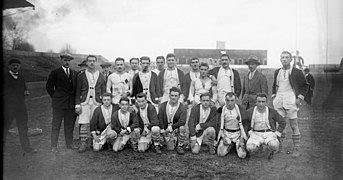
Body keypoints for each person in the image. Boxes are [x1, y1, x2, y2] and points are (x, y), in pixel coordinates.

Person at [272, 51, 308, 158]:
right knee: (280, 124)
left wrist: (299, 98)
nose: (284, 59)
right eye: (282, 57)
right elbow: (274, 85)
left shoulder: (297, 71)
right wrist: (274, 96)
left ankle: (296, 148)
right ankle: (279, 146)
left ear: (291, 59)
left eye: (287, 57)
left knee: (294, 125)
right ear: (280, 59)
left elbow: (305, 86)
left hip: (291, 98)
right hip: (279, 99)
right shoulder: (277, 71)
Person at [4, 58, 37, 154]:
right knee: (5, 128)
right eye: (13, 65)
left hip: (21, 107)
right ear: (9, 66)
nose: (15, 67)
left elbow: (25, 89)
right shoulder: (5, 77)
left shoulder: (21, 77)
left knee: (23, 128)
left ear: (20, 66)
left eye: (17, 65)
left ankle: (26, 148)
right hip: (8, 108)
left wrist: (26, 92)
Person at [46, 53, 77, 153]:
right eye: (65, 60)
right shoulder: (55, 73)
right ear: (61, 60)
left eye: (69, 60)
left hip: (70, 105)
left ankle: (69, 144)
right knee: (56, 125)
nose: (67, 62)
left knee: (69, 125)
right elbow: (49, 86)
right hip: (58, 105)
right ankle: (53, 146)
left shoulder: (74, 73)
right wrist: (55, 97)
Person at [75, 55, 106, 153]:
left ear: (96, 62)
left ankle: (94, 141)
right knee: (84, 122)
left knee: (95, 121)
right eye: (89, 61)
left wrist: (103, 102)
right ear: (87, 63)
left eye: (93, 61)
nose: (92, 63)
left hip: (96, 101)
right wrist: (77, 104)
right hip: (85, 101)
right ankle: (83, 142)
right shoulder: (81, 75)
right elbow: (77, 91)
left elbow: (103, 90)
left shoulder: (101, 75)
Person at [246, 93, 286, 160]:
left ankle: (270, 150)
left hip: (269, 133)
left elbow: (282, 122)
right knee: (250, 148)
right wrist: (249, 132)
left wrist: (277, 133)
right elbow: (245, 123)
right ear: (256, 102)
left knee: (274, 145)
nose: (261, 104)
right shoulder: (250, 111)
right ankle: (260, 148)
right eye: (259, 102)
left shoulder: (272, 112)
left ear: (266, 102)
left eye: (263, 102)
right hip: (256, 134)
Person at [152, 87, 187, 155]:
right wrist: (162, 129)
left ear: (179, 97)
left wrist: (171, 128)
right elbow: (160, 118)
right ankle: (157, 144)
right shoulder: (163, 105)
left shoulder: (182, 107)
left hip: (174, 129)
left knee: (182, 128)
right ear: (169, 96)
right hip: (165, 128)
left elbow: (182, 121)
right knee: (155, 128)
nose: (173, 97)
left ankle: (180, 145)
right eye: (172, 95)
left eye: (176, 96)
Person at [216, 92, 249, 158]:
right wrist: (223, 136)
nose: (230, 103)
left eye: (232, 100)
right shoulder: (221, 110)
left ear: (235, 101)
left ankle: (238, 144)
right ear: (225, 100)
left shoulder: (241, 110)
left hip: (237, 134)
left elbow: (245, 124)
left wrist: (242, 137)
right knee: (220, 153)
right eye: (227, 100)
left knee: (242, 155)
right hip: (227, 134)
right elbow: (218, 125)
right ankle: (230, 144)